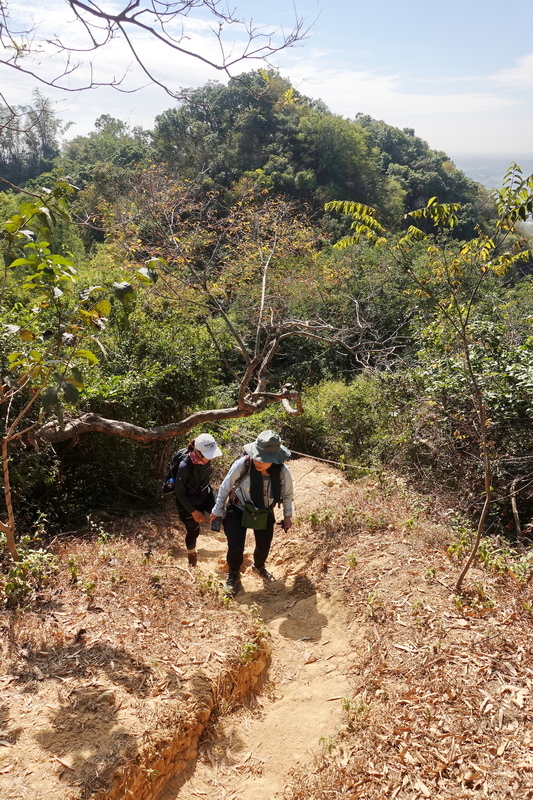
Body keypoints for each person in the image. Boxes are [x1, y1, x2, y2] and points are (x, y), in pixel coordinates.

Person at [210, 430, 293, 594]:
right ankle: (233, 574)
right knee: (235, 545)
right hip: (239, 507)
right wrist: (218, 509)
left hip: (264, 510)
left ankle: (259, 567)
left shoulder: (283, 472)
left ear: (275, 459)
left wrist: (287, 517)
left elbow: (288, 495)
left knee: (264, 546)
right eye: (257, 455)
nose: (258, 461)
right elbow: (226, 487)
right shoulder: (243, 464)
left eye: (263, 459)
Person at [174, 433, 222, 566]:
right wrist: (194, 512)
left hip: (205, 494)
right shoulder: (184, 466)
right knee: (193, 531)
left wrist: (215, 503)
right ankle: (192, 557)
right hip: (188, 503)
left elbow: (206, 481)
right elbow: (180, 492)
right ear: (197, 452)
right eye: (208, 455)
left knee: (222, 514)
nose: (210, 458)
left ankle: (232, 552)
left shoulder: (206, 461)